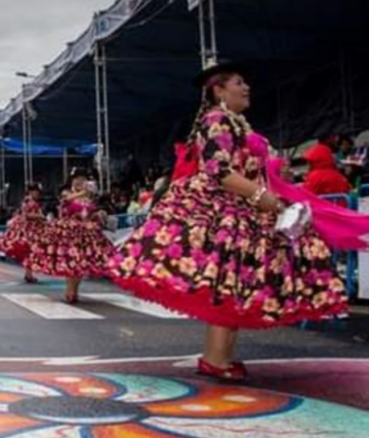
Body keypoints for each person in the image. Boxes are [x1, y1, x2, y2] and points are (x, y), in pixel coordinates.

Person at [109, 62, 347, 381]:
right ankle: (215, 358)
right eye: (238, 82)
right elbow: (218, 171)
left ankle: (218, 357)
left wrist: (274, 175)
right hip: (223, 209)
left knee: (235, 281)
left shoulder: (237, 123)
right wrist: (267, 199)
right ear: (218, 90)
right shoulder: (217, 120)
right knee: (227, 280)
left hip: (242, 207)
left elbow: (244, 166)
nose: (246, 86)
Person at [29, 168, 113, 304]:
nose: (80, 181)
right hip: (69, 233)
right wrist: (82, 193)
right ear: (72, 181)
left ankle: (75, 290)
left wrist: (99, 214)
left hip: (86, 233)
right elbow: (65, 201)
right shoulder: (67, 192)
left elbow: (90, 213)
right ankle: (70, 290)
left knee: (80, 264)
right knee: (71, 263)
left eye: (83, 179)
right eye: (77, 179)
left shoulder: (89, 197)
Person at [0, 183, 46, 283]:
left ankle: (28, 274)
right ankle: (29, 274)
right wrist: (40, 217)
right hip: (29, 230)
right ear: (31, 191)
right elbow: (27, 214)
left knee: (29, 252)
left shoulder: (31, 200)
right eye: (36, 192)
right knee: (30, 251)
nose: (37, 194)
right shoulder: (29, 200)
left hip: (32, 229)